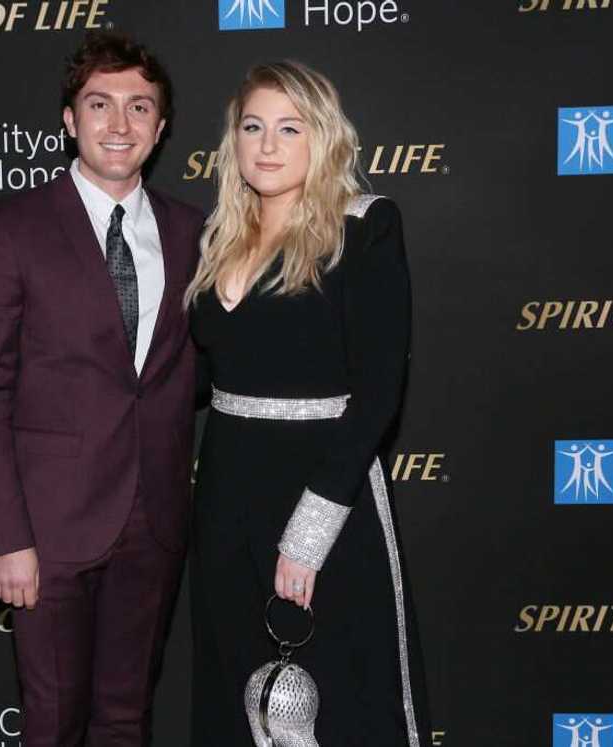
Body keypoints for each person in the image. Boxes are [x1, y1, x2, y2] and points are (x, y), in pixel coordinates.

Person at [0, 31, 204, 746]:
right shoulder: (13, 227)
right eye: (99, 104)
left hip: (154, 520)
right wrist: (4, 537)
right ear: (69, 119)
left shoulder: (193, 232)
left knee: (126, 720)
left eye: (138, 107)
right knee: (54, 722)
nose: (118, 124)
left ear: (160, 129)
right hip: (47, 529)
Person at [186, 61, 431, 746]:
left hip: (325, 491)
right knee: (236, 685)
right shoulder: (216, 238)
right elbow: (201, 378)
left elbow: (379, 391)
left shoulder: (363, 228)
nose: (266, 144)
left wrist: (308, 533)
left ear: (321, 138)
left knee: (341, 691)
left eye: (288, 128)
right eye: (252, 126)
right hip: (227, 493)